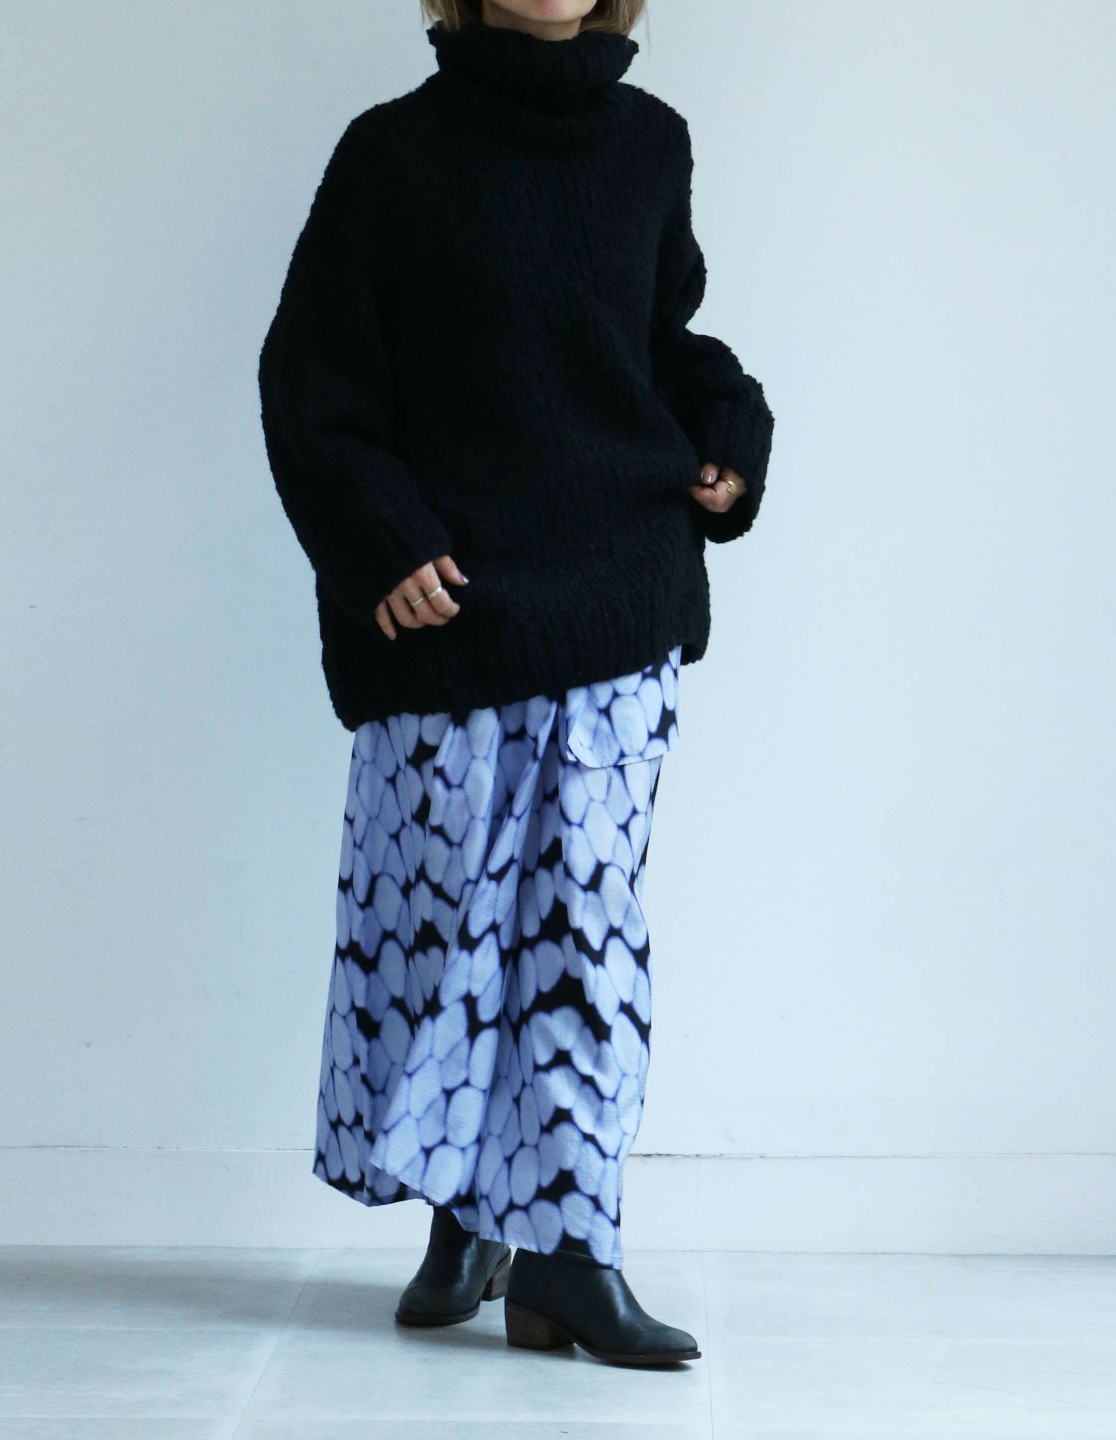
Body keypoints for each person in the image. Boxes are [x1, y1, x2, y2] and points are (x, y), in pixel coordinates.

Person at [257, 0, 775, 1369]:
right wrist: (379, 538)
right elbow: (311, 382)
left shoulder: (650, 144)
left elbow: (658, 342)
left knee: (582, 946)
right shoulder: (392, 155)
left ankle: (569, 1258)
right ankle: (473, 1217)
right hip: (452, 614)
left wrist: (729, 426)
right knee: (443, 943)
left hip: (616, 595)